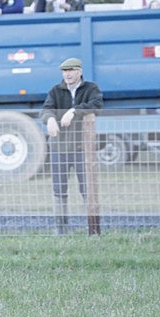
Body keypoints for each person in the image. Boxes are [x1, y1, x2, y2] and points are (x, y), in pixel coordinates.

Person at [39, 57, 104, 235]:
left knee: (87, 188)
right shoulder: (55, 91)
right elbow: (46, 109)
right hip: (59, 148)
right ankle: (61, 230)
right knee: (59, 188)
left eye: (71, 70)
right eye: (64, 71)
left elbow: (96, 105)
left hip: (83, 149)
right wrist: (50, 119)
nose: (67, 74)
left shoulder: (91, 89)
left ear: (80, 72)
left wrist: (74, 111)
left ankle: (93, 230)